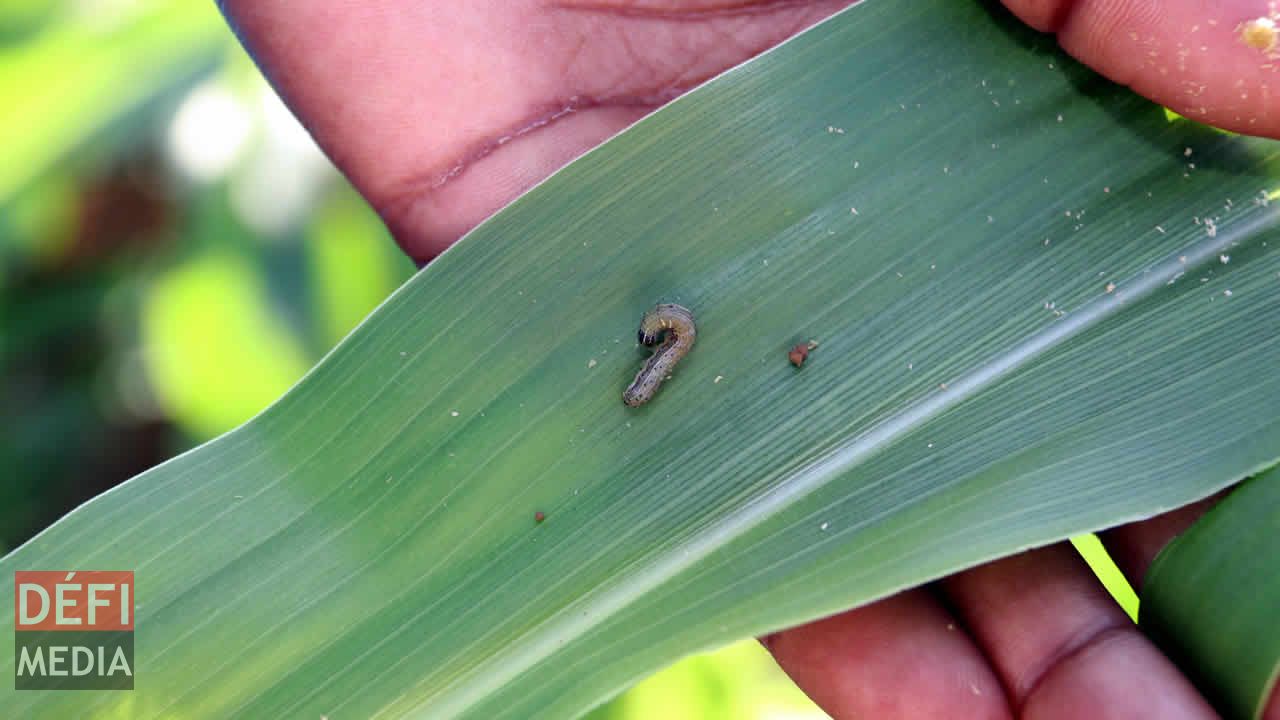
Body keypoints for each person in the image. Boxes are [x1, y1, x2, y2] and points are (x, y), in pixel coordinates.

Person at [216, 2, 1280, 717]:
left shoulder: (666, 331)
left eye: (653, 351)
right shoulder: (660, 327)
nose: (652, 351)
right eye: (654, 352)